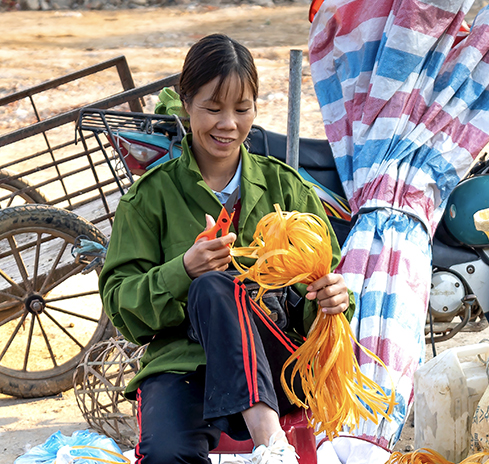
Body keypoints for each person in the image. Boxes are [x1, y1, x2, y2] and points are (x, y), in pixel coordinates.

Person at [99, 34, 353, 464]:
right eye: (212, 108)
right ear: (186, 104)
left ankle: (269, 440)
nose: (228, 124)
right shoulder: (150, 197)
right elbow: (121, 303)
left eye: (242, 108)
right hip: (184, 363)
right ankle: (271, 445)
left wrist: (334, 298)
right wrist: (181, 269)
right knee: (165, 454)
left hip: (280, 361)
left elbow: (323, 285)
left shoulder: (286, 186)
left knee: (216, 286)